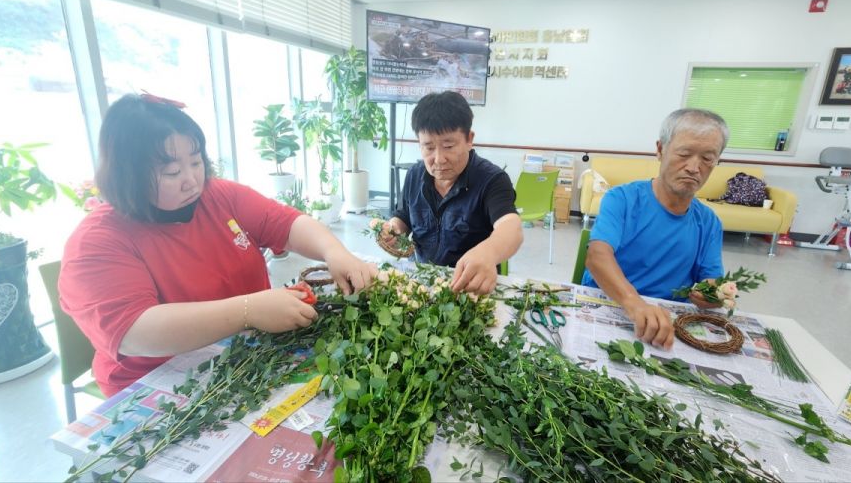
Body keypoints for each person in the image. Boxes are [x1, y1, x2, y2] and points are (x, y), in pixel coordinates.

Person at [59, 93, 377, 396]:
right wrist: (248, 311)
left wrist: (334, 252)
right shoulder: (98, 242)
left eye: (196, 163)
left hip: (243, 355)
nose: (191, 180)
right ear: (127, 175)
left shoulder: (218, 196)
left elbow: (286, 223)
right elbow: (135, 331)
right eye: (172, 171)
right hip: (161, 382)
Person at [582, 108, 730, 349]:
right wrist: (635, 304)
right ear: (660, 150)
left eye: (707, 158)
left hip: (666, 326)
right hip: (612, 306)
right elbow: (597, 256)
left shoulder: (709, 222)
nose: (694, 167)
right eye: (684, 153)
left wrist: (711, 296)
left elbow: (711, 280)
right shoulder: (622, 199)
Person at [383, 91, 523, 295]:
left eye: (448, 146)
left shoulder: (492, 180)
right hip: (421, 282)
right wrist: (393, 230)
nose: (438, 159)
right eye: (428, 148)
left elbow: (512, 228)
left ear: (469, 139)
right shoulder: (414, 174)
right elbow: (403, 217)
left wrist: (488, 253)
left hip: (468, 286)